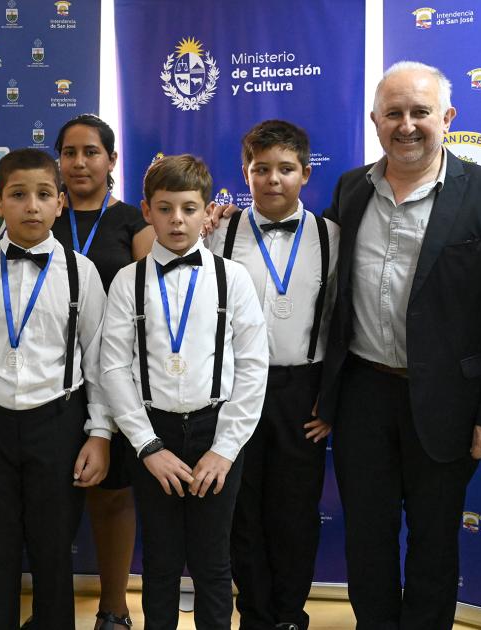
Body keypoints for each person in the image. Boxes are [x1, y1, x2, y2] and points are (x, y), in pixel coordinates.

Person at [317, 61, 481, 629]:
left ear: (446, 117)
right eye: (393, 113)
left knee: (433, 543)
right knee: (367, 540)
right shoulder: (350, 188)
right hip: (363, 397)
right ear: (375, 120)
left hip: (450, 402)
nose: (407, 125)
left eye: (420, 112)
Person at [0, 148, 112, 629]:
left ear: (60, 204)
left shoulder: (82, 273)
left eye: (43, 195)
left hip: (58, 423)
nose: (31, 206)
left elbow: (98, 362)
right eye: (18, 195)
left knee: (54, 550)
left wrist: (100, 433)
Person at [100, 154, 268, 630]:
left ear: (207, 211)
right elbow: (113, 368)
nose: (177, 220)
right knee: (159, 563)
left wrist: (226, 448)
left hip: (218, 432)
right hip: (153, 434)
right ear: (146, 210)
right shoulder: (127, 283)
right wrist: (147, 446)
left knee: (214, 563)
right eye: (165, 208)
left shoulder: (232, 279)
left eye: (189, 208)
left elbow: (253, 368)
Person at [206, 120, 338, 630]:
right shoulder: (220, 231)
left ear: (305, 173)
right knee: (242, 511)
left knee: (296, 515)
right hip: (236, 390)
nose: (273, 179)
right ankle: (255, 616)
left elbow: (343, 324)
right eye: (261, 169)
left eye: (286, 169)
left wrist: (331, 399)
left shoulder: (333, 237)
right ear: (246, 172)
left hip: (301, 392)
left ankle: (290, 615)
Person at [48, 114, 154, 630]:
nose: (80, 162)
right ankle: (52, 610)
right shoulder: (38, 217)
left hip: (112, 377)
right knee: (51, 496)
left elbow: (155, 304)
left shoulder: (134, 222)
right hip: (48, 380)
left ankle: (114, 608)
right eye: (69, 152)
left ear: (112, 160)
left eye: (91, 151)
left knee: (112, 496)